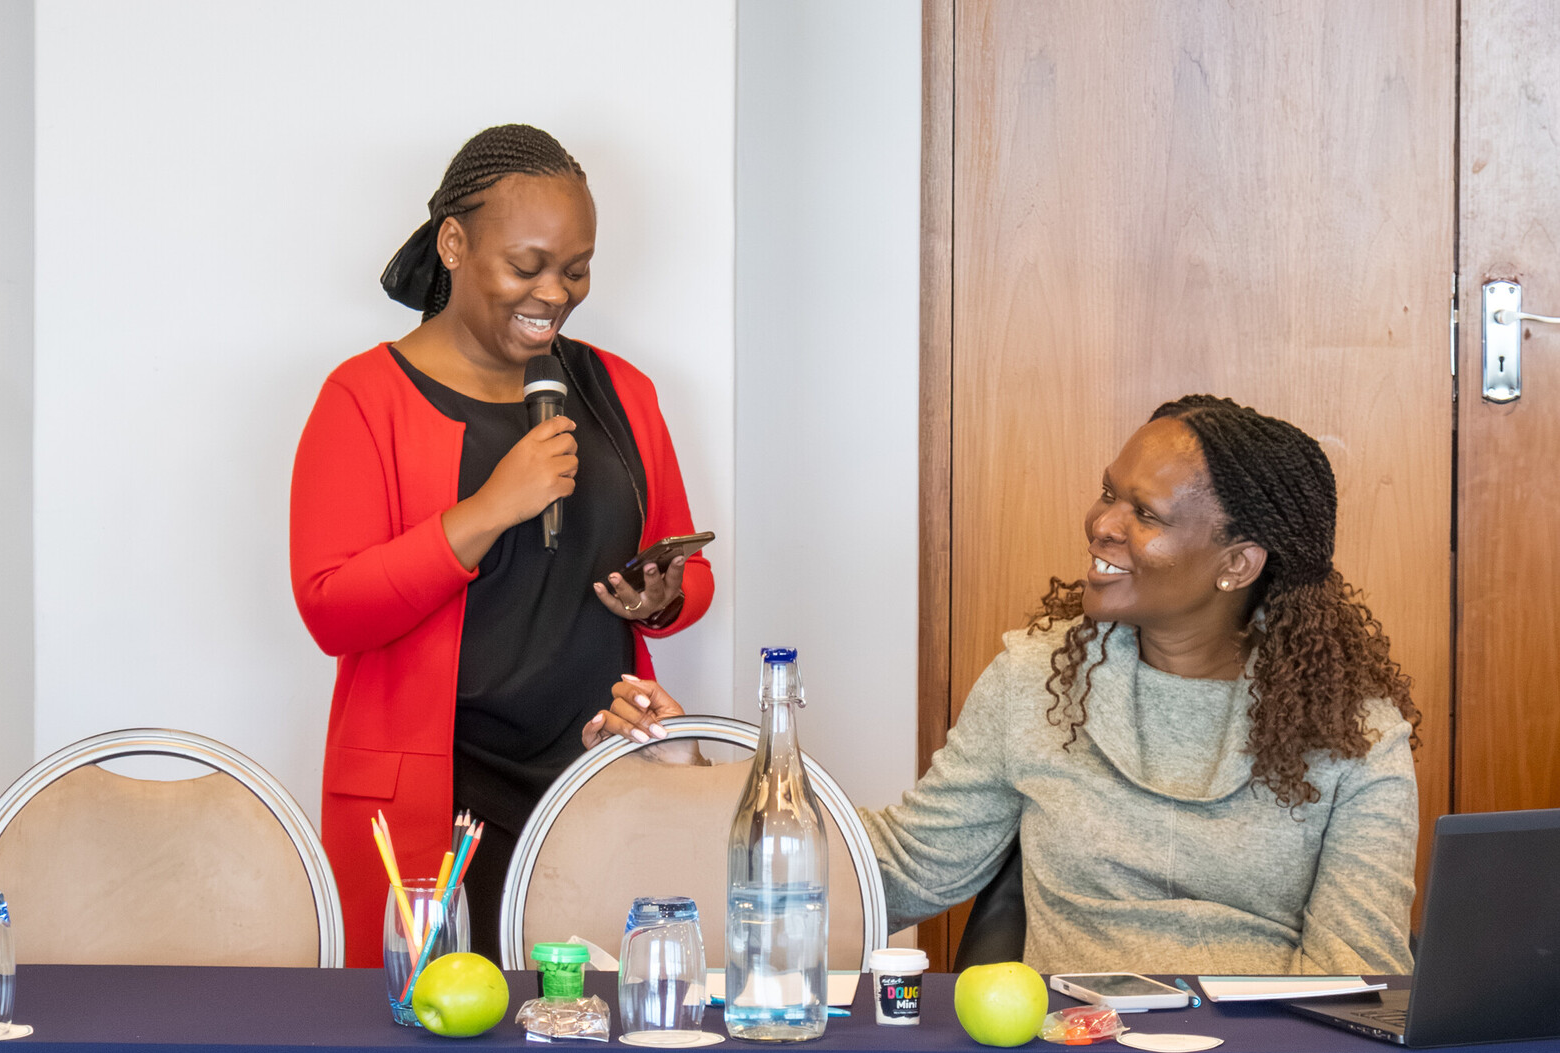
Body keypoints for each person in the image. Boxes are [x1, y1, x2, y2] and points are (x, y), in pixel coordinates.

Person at [586, 396, 1419, 975]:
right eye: (1107, 493)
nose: (1101, 523)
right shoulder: (1039, 680)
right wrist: (701, 772)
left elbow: (1355, 975)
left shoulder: (1356, 730)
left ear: (1237, 563)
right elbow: (899, 870)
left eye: (1147, 515)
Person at [291, 124, 713, 967]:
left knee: (596, 1035)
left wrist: (664, 596)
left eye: (576, 268)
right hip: (435, 797)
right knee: (430, 1047)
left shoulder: (620, 392)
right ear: (453, 243)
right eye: (527, 266)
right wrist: (488, 508)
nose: (553, 293)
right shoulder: (363, 398)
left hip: (594, 775)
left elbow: (686, 568)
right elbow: (333, 610)